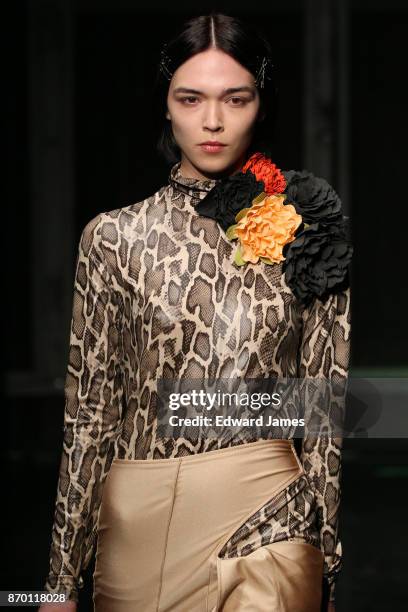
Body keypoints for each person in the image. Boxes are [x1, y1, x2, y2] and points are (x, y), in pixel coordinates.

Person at [40, 11, 352, 612]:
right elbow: (91, 416)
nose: (212, 121)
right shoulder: (113, 238)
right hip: (141, 519)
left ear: (260, 104)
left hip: (269, 514)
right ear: (166, 103)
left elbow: (323, 408)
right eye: (191, 98)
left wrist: (326, 558)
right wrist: (55, 583)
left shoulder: (307, 229)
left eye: (235, 99)